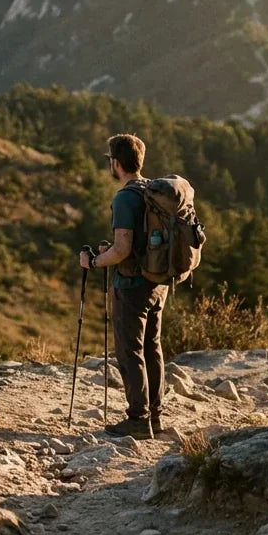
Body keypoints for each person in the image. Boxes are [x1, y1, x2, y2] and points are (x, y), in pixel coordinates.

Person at [79, 133, 167, 440]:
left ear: (116, 163)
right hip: (158, 282)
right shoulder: (153, 192)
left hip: (131, 286)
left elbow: (122, 249)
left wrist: (93, 262)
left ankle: (137, 419)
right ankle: (155, 415)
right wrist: (112, 251)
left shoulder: (125, 197)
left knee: (130, 351)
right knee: (152, 347)